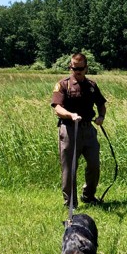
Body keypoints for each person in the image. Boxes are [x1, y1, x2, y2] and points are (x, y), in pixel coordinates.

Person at [50, 53, 107, 207]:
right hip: (69, 130)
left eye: (81, 68)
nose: (78, 71)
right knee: (69, 169)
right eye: (75, 68)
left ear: (86, 68)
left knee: (94, 164)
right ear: (71, 67)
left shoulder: (92, 85)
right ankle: (70, 203)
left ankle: (88, 195)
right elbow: (57, 108)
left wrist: (101, 116)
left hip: (88, 130)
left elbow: (101, 104)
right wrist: (70, 115)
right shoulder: (63, 85)